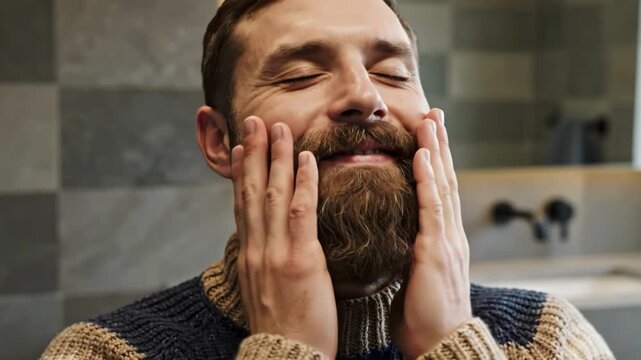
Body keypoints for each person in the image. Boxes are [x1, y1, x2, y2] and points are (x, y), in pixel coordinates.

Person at [41, 0, 613, 359]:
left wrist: (452, 347)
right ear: (220, 141)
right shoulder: (107, 354)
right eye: (301, 75)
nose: (366, 96)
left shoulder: (546, 340)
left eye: (392, 72)